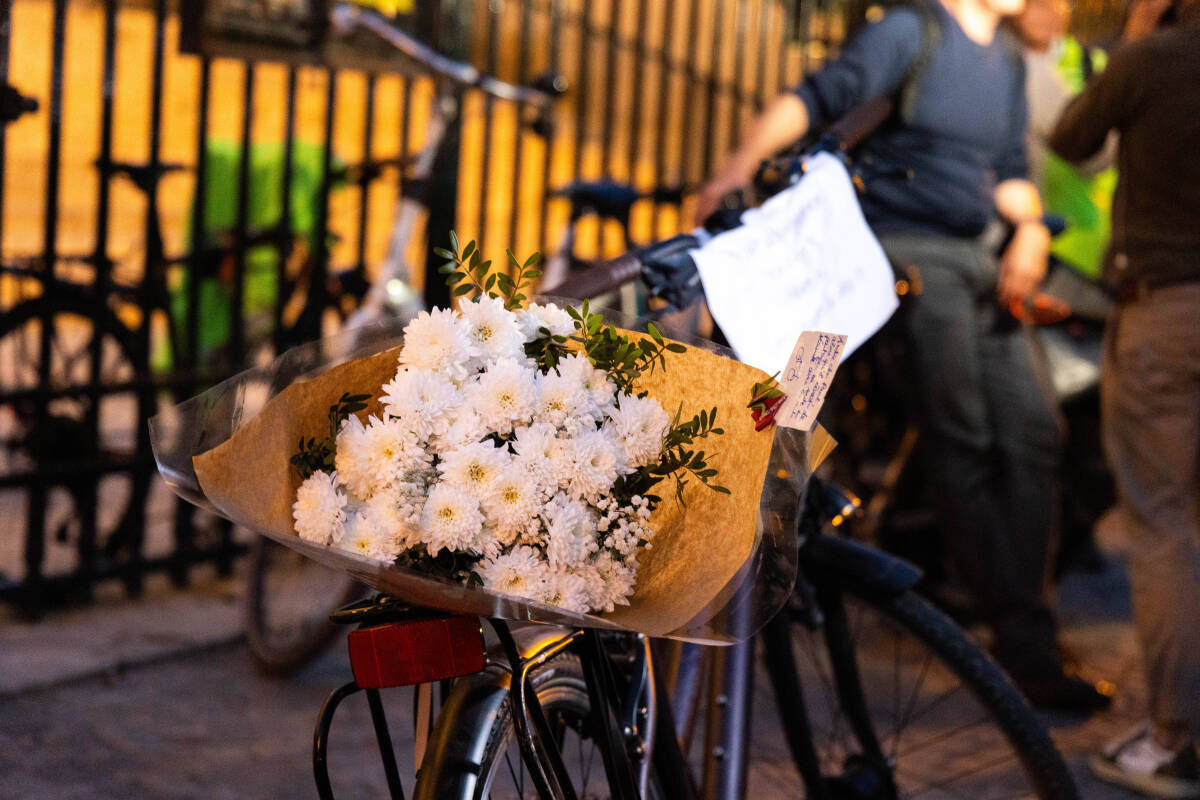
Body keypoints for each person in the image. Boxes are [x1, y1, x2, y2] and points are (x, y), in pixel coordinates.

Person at [697, 0, 1111, 711]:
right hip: (904, 252)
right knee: (967, 436)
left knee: (1035, 431)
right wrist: (730, 173)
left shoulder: (1007, 57)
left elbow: (1009, 168)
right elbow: (813, 98)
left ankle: (1023, 625)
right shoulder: (912, 31)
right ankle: (1023, 645)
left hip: (983, 259)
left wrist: (1034, 230)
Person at [1050, 0, 1200, 794]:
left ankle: (1176, 739)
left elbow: (1071, 136)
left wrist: (1138, 39)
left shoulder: (1158, 57)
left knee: (1162, 525)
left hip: (1167, 311)